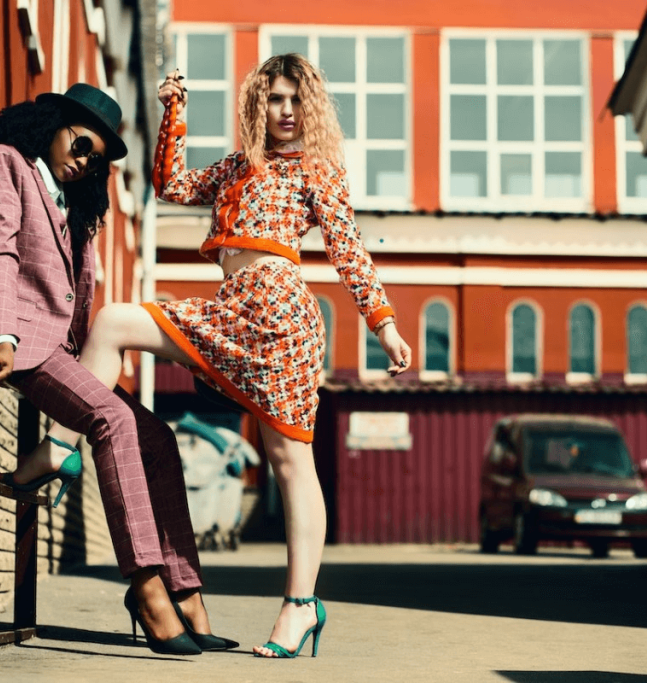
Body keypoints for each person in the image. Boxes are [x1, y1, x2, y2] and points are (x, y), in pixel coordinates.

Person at [32, 53, 413, 658]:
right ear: (258, 105)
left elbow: (350, 252)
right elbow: (173, 186)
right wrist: (174, 111)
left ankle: (299, 607)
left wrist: (384, 325)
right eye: (275, 99)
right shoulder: (238, 166)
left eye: (295, 100)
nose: (285, 112)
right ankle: (59, 451)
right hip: (230, 309)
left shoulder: (319, 170)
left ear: (307, 106)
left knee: (290, 466)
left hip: (283, 318)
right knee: (113, 322)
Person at [0, 83, 236, 656]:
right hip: (15, 344)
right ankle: (145, 588)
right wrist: (1, 336)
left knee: (158, 437)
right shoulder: (6, 162)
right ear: (53, 123)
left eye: (94, 158)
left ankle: (186, 591)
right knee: (113, 418)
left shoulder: (73, 204)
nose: (83, 160)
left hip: (60, 352)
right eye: (79, 143)